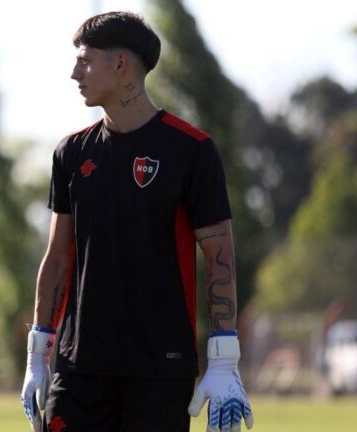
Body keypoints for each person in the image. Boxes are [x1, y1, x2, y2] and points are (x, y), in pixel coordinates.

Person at [20, 11, 253, 432]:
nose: (75, 73)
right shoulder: (70, 153)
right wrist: (38, 352)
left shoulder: (192, 149)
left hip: (160, 370)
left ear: (122, 64)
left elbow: (220, 256)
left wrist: (224, 359)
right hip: (78, 370)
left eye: (85, 60)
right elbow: (57, 257)